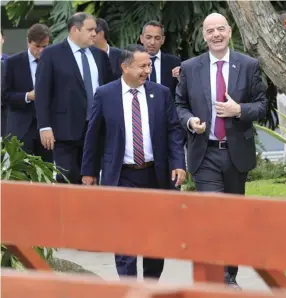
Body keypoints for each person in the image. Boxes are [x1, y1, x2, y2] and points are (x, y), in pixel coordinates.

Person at [175, 13, 268, 287]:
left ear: (229, 32)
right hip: (205, 153)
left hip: (236, 154)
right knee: (213, 216)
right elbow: (179, 106)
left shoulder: (248, 65)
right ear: (204, 36)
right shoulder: (190, 67)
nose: (216, 34)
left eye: (220, 29)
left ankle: (231, 275)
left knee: (233, 218)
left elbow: (262, 105)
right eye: (210, 30)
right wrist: (191, 122)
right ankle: (219, 279)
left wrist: (239, 110)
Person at [81, 44, 186, 279]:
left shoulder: (161, 93)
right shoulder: (105, 94)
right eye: (142, 65)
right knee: (125, 235)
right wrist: (88, 172)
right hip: (121, 175)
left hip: (155, 174)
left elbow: (173, 131)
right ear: (125, 67)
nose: (147, 70)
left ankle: (150, 286)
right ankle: (129, 288)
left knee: (155, 237)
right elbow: (93, 135)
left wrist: (179, 163)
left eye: (149, 65)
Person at [35, 12, 113, 184]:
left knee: (91, 178)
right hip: (65, 131)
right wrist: (44, 126)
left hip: (95, 128)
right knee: (68, 178)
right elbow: (42, 93)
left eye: (96, 30)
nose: (95, 33)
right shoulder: (51, 54)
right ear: (74, 30)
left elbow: (109, 89)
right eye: (90, 29)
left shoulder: (99, 55)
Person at [2, 24, 53, 162]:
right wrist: (27, 96)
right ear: (28, 41)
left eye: (45, 46)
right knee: (22, 173)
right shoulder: (13, 62)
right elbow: (4, 95)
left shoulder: (52, 61)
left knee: (46, 172)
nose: (41, 51)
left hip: (47, 127)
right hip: (21, 127)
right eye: (38, 46)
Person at [140, 21, 181, 99]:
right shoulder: (132, 62)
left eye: (157, 38)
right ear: (141, 38)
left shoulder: (174, 62)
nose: (152, 42)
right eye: (148, 37)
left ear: (163, 40)